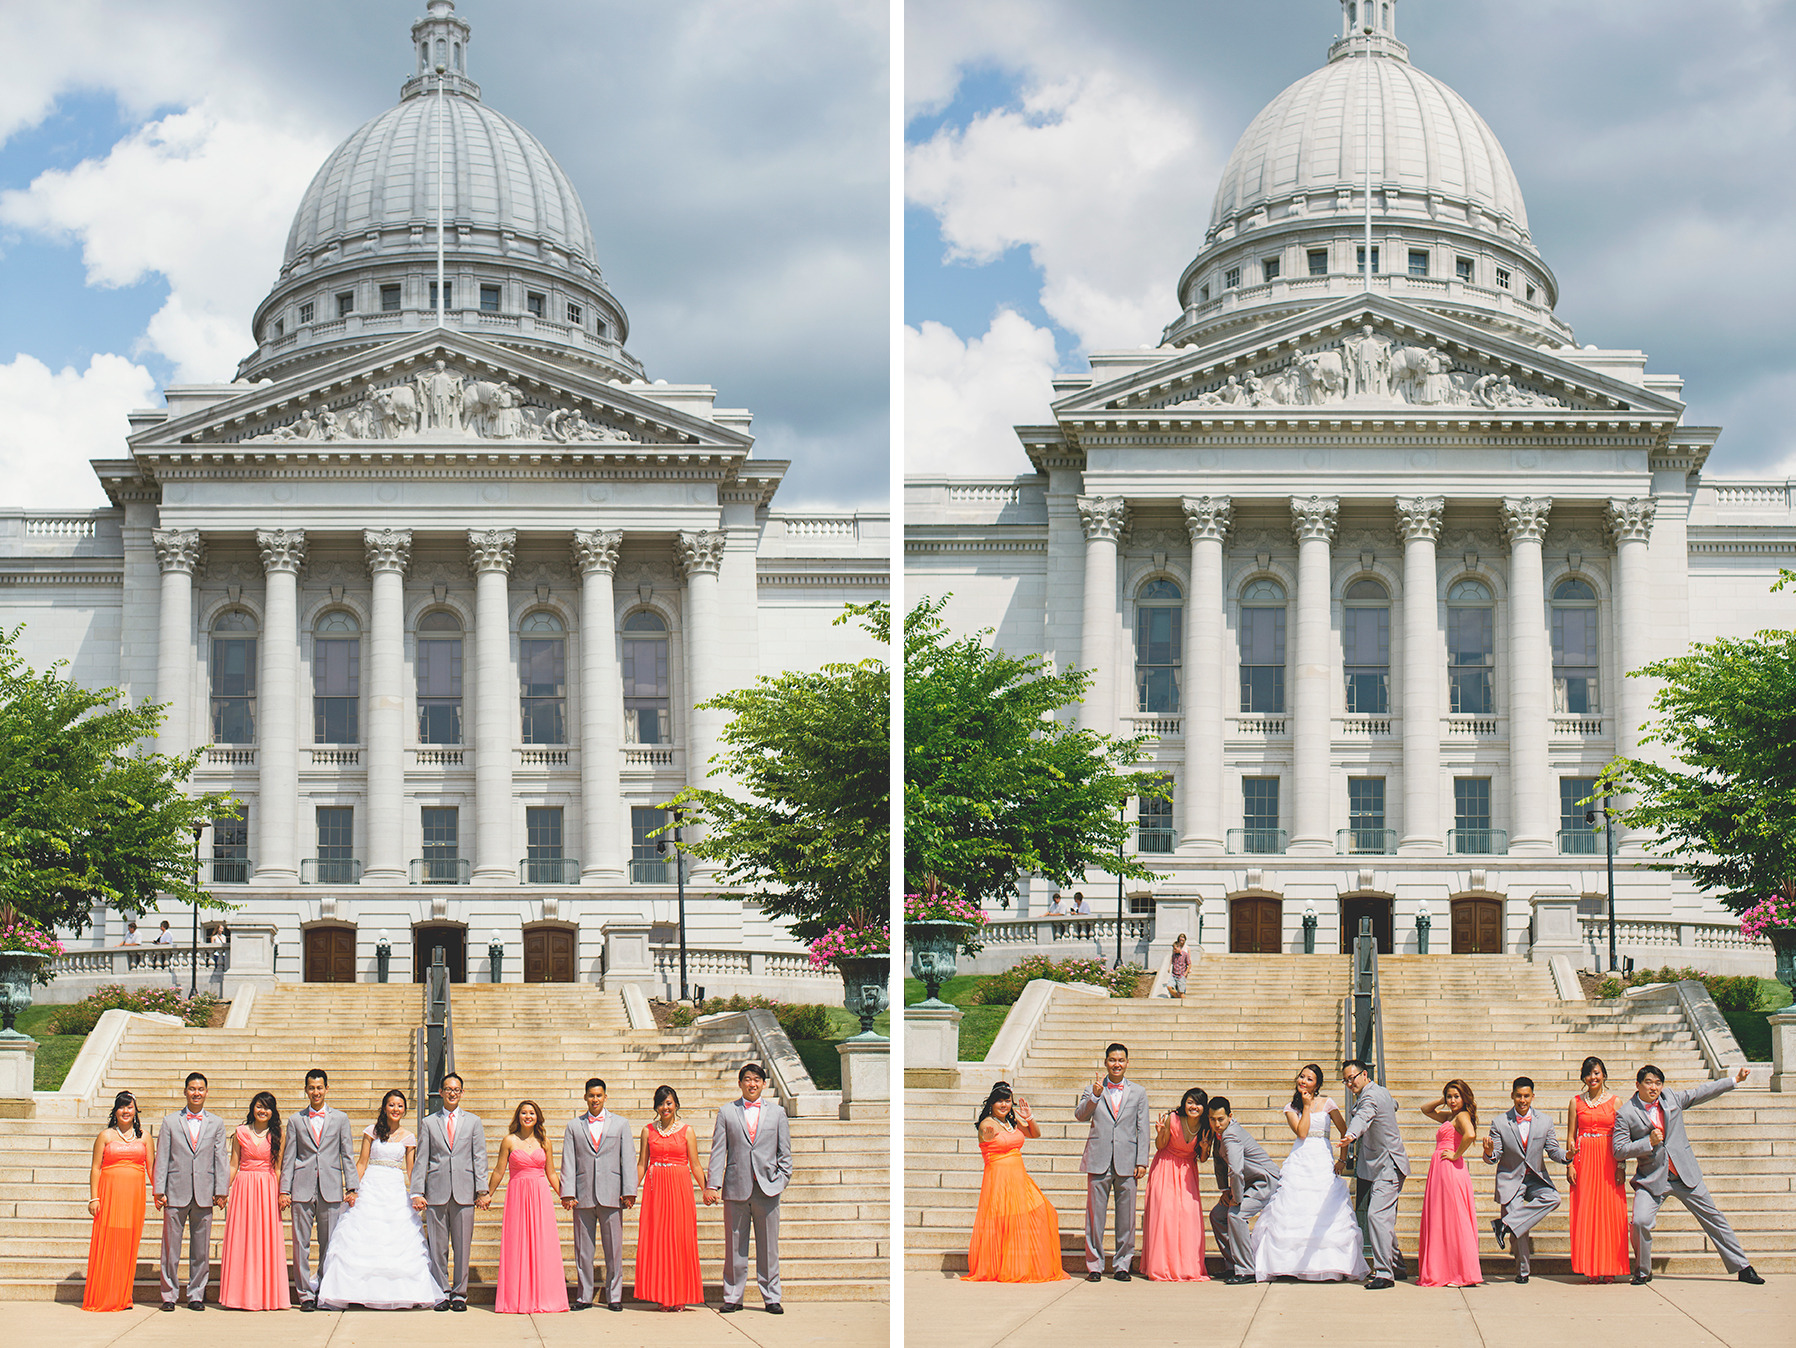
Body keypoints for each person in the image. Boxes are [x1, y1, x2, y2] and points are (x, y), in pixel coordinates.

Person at [1614, 1063, 1762, 1285]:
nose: (1654, 1087)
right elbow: (1619, 1150)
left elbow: (1701, 1092)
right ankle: (1643, 1271)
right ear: (1638, 1085)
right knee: (1640, 1222)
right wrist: (1647, 1143)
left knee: (1714, 1218)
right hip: (1652, 1179)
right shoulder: (1626, 1113)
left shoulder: (1671, 1098)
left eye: (1658, 1083)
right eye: (1648, 1082)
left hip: (1685, 1175)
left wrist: (1734, 1080)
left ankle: (1743, 1267)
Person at [317, 1089, 444, 1310]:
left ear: (404, 1109)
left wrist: (417, 1193)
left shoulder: (409, 1137)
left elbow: (412, 1168)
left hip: (394, 1188)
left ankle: (401, 1293)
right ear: (384, 1107)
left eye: (400, 1105)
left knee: (396, 1239)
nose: (396, 1109)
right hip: (371, 1186)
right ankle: (353, 1291)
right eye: (392, 1105)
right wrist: (353, 1188)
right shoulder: (371, 1131)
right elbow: (362, 1162)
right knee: (362, 1237)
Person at [1249, 1065, 1362, 1283]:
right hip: (1301, 1158)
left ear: (1317, 1084)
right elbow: (1301, 1132)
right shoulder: (1291, 1107)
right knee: (1293, 1208)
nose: (1304, 1081)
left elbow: (1344, 1130)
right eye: (1302, 1077)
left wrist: (1342, 1159)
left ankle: (1328, 1265)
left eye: (1309, 1079)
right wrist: (1307, 1107)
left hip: (1322, 1158)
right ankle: (1287, 1265)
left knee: (1323, 1208)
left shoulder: (1328, 1103)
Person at [705, 1063, 793, 1314]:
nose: (752, 1084)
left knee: (769, 1247)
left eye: (757, 1079)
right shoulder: (726, 1112)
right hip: (736, 1188)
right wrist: (713, 1185)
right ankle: (733, 1296)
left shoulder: (777, 1113)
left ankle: (771, 1296)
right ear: (740, 1083)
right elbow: (718, 1151)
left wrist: (781, 1180)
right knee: (734, 1246)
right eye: (747, 1079)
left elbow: (784, 1153)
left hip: (767, 1188)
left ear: (764, 1084)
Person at [964, 1081, 1068, 1283]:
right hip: (999, 1179)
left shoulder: (1012, 1122)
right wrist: (987, 1136)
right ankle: (1003, 1267)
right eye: (999, 1101)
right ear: (991, 1104)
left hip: (1019, 1177)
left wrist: (1029, 1118)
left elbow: (1035, 1134)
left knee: (1045, 1211)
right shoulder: (988, 1123)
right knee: (1006, 1221)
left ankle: (1022, 1264)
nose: (1004, 1105)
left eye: (1007, 1101)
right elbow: (986, 1137)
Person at [409, 1072, 488, 1311]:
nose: (452, 1093)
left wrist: (482, 1190)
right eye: (448, 1089)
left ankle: (459, 1294)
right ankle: (441, 1292)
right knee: (438, 1246)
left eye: (456, 1089)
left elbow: (479, 1158)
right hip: (436, 1191)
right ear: (441, 1092)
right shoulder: (429, 1122)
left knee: (462, 1246)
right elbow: (422, 1159)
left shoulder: (473, 1122)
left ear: (462, 1093)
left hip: (464, 1191)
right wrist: (417, 1191)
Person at [280, 1068, 357, 1311]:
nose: (316, 1091)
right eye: (311, 1087)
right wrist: (285, 1189)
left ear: (326, 1088)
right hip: (302, 1188)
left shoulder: (340, 1118)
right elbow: (289, 1157)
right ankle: (304, 1294)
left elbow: (347, 1154)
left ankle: (324, 1289)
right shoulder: (295, 1120)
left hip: (331, 1188)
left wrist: (352, 1186)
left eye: (320, 1087)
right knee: (301, 1242)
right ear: (306, 1089)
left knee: (329, 1242)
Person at [1075, 1043, 1152, 1281]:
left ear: (1127, 1062)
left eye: (1121, 1060)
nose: (1116, 1064)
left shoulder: (1138, 1092)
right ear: (1105, 1062)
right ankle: (1095, 1266)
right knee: (1095, 1216)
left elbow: (1143, 1128)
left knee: (1126, 1217)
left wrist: (1141, 1161)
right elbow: (1080, 1115)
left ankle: (1122, 1265)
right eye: (1112, 1060)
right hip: (1099, 1159)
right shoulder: (1093, 1089)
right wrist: (1095, 1096)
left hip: (1127, 1161)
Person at [1482, 1076, 1569, 1283]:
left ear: (1533, 1096)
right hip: (1511, 1180)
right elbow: (1494, 1158)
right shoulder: (1500, 1123)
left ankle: (1504, 1225)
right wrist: (1488, 1152)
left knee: (1554, 1199)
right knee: (1519, 1221)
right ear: (1512, 1096)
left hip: (1536, 1179)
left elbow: (1553, 1150)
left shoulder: (1545, 1121)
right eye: (1519, 1096)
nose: (1523, 1100)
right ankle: (1523, 1271)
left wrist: (1568, 1156)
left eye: (1526, 1096)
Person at [152, 1071, 228, 1310]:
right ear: (185, 1091)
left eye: (201, 1089)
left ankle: (196, 1294)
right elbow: (162, 1156)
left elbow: (220, 1158)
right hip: (176, 1191)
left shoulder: (216, 1123)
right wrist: (158, 1189)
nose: (196, 1093)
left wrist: (221, 1190)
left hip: (205, 1193)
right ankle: (169, 1295)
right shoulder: (170, 1121)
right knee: (170, 1249)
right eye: (192, 1089)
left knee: (201, 1250)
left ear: (206, 1092)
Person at [559, 1076, 636, 1311]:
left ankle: (614, 1296)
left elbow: (628, 1159)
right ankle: (584, 1295)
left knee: (614, 1249)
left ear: (605, 1096)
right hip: (583, 1194)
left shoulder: (620, 1124)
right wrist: (567, 1192)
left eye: (599, 1095)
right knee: (583, 1249)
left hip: (612, 1193)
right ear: (585, 1097)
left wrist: (629, 1190)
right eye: (591, 1095)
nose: (595, 1099)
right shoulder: (574, 1126)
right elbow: (568, 1161)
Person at [489, 1100, 568, 1314]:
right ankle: (516, 1297)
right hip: (517, 1193)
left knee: (543, 1242)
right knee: (517, 1243)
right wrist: (488, 1194)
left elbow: (551, 1173)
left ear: (537, 1116)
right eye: (524, 1112)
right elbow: (498, 1170)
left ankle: (545, 1296)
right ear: (518, 1116)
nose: (528, 1116)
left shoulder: (545, 1142)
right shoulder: (509, 1141)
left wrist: (565, 1195)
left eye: (531, 1113)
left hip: (540, 1194)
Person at [1337, 1058, 1410, 1288]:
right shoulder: (1382, 1092)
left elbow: (1364, 1116)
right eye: (1345, 1080)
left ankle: (1384, 1274)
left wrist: (1351, 1135)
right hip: (1383, 1166)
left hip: (1388, 1166)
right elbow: (1392, 1104)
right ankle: (1396, 1266)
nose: (1350, 1083)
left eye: (1353, 1078)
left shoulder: (1369, 1097)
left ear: (1365, 1075)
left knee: (1376, 1216)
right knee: (1383, 1219)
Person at [634, 1085, 707, 1310]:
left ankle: (679, 1296)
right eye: (661, 1103)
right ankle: (662, 1296)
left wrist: (707, 1189)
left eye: (669, 1103)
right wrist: (630, 1191)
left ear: (675, 1104)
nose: (665, 1107)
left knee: (679, 1239)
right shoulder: (648, 1131)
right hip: (655, 1189)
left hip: (679, 1188)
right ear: (656, 1106)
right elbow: (641, 1164)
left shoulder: (687, 1131)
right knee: (658, 1240)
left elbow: (694, 1164)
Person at [84, 1091, 154, 1311]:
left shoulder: (145, 1137)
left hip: (134, 1198)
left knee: (127, 1245)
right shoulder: (105, 1136)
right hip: (109, 1196)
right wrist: (94, 1198)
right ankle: (104, 1294)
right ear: (115, 1111)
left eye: (130, 1107)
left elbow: (152, 1168)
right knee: (108, 1243)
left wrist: (160, 1193)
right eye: (122, 1107)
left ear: (135, 1111)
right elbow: (95, 1168)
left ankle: (123, 1296)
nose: (126, 1111)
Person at [219, 1091, 289, 1310]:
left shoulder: (279, 1133)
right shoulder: (241, 1132)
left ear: (272, 1111)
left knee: (265, 1239)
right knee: (242, 1238)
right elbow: (233, 1164)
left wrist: (282, 1193)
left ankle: (266, 1295)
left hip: (267, 1187)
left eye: (267, 1107)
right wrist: (223, 1190)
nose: (262, 1111)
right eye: (259, 1106)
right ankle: (238, 1295)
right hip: (244, 1187)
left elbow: (278, 1167)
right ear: (253, 1108)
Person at [1205, 1096, 1279, 1284]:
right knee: (1217, 1215)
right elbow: (1219, 1163)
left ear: (1230, 1116)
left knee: (1236, 1215)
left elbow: (1236, 1170)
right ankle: (1233, 1265)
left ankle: (1247, 1269)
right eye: (1212, 1119)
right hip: (1247, 1182)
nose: (1216, 1124)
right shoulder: (1217, 1133)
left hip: (1264, 1181)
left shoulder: (1231, 1135)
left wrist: (1236, 1198)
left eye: (1220, 1119)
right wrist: (1224, 1190)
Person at [1567, 1056, 1628, 1283]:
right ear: (1583, 1077)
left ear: (1603, 1074)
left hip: (1607, 1159)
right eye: (1588, 1073)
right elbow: (1571, 1136)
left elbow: (1622, 1137)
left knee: (1610, 1213)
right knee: (1587, 1212)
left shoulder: (1615, 1102)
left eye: (1596, 1073)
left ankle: (1610, 1266)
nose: (1593, 1077)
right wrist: (1570, 1164)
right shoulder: (1575, 1102)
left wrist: (1621, 1166)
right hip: (1584, 1159)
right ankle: (1591, 1267)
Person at [1417, 1079, 1481, 1287]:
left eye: (1456, 1096)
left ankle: (1461, 1272)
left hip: (1450, 1169)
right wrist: (1443, 1099)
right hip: (1441, 1170)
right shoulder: (1451, 1116)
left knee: (1455, 1218)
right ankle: (1451, 1269)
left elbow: (1470, 1134)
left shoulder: (1462, 1116)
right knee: (1444, 1218)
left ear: (1464, 1097)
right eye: (1450, 1096)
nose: (1453, 1100)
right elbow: (1425, 1109)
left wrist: (1456, 1155)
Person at [1141, 1088, 1209, 1282]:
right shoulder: (1173, 1118)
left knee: (1189, 1215)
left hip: (1187, 1171)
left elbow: (1203, 1158)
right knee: (1164, 1214)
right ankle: (1161, 1265)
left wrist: (1204, 1149)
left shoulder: (1205, 1126)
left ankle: (1187, 1265)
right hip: (1165, 1166)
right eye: (1189, 1102)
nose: (1193, 1106)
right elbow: (1160, 1146)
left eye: (1197, 1103)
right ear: (1183, 1103)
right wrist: (1161, 1132)